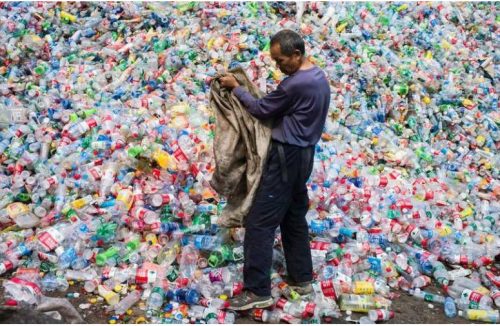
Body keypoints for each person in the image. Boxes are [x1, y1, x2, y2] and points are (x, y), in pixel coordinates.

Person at [218, 29, 331, 310]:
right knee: (293, 217)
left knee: (260, 222)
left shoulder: (295, 84)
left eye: (281, 61)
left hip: (285, 157)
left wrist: (236, 87)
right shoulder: (317, 76)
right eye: (275, 60)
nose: (278, 66)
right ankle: (301, 278)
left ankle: (257, 291)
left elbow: (260, 109)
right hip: (305, 155)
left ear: (297, 55)